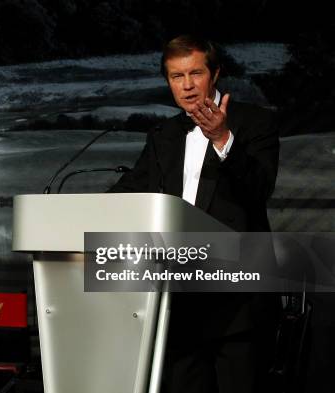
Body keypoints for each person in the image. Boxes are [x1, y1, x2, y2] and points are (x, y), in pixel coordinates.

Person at [109, 35, 280, 393]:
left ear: (215, 74)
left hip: (238, 304)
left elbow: (258, 190)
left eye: (195, 73)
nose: (186, 86)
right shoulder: (162, 135)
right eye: (175, 76)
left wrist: (222, 138)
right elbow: (129, 193)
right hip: (179, 304)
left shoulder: (255, 123)